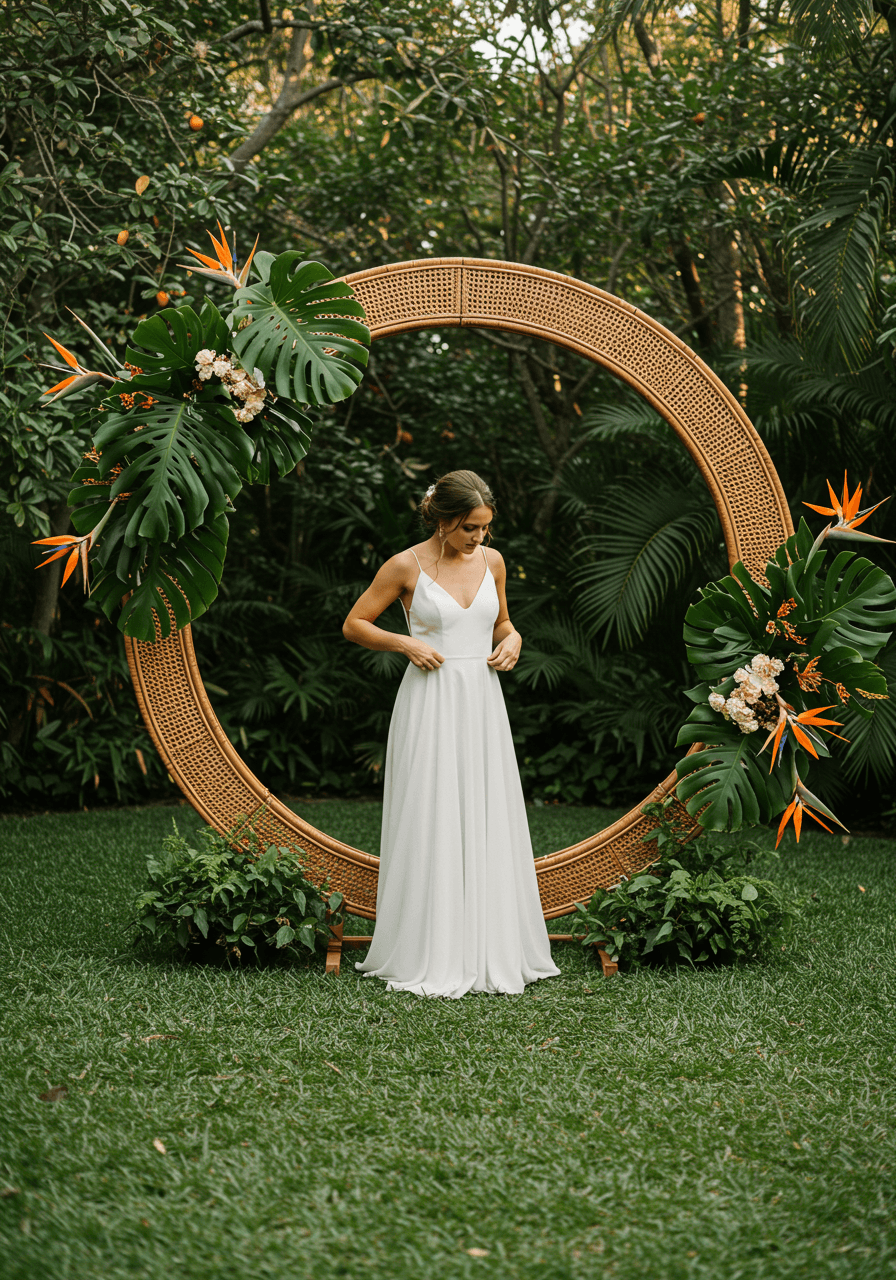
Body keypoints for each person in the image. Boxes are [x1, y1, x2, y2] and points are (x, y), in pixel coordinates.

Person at [342, 469, 560, 997]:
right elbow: (355, 624)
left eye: (485, 529)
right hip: (430, 701)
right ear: (442, 521)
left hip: (482, 702)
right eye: (469, 529)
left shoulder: (494, 562)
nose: (478, 538)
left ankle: (490, 945)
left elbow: (503, 623)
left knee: (486, 810)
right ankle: (428, 947)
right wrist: (405, 644)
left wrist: (514, 641)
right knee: (433, 810)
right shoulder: (404, 565)